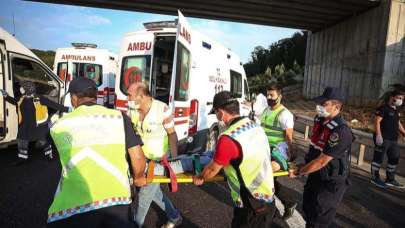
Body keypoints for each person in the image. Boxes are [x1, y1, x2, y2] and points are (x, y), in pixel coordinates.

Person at [46, 77, 147, 228]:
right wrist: (139, 177)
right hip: (116, 200)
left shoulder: (59, 125)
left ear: (74, 98)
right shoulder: (118, 118)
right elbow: (137, 156)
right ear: (96, 96)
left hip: (72, 207)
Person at [193, 91, 276, 228]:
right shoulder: (254, 126)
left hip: (250, 204)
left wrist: (201, 176)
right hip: (267, 198)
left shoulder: (228, 138)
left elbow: (213, 169)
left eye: (216, 113)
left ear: (221, 112)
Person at [290, 87, 353, 228]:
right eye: (319, 103)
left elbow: (322, 160)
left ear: (337, 106)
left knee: (319, 218)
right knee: (308, 208)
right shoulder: (319, 119)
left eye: (324, 104)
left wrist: (299, 172)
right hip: (315, 175)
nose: (318, 107)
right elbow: (314, 149)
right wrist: (304, 166)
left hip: (330, 181)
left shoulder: (341, 131)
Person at [127, 82, 182, 228]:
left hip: (158, 160)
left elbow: (172, 134)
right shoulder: (132, 109)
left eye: (130, 95)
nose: (127, 98)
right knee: (154, 193)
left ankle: (136, 224)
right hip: (140, 159)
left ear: (141, 96)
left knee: (144, 196)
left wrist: (174, 160)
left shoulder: (162, 109)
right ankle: (175, 216)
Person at [0, 81, 69, 164]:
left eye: (23, 87)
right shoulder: (21, 99)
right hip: (24, 124)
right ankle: (22, 158)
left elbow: (55, 105)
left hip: (38, 125)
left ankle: (49, 155)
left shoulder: (40, 99)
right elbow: (14, 101)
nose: (20, 89)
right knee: (21, 140)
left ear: (27, 89)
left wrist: (69, 109)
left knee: (43, 141)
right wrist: (6, 96)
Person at [260, 83, 297, 220]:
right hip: (264, 150)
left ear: (279, 96)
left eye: (272, 95)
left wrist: (290, 160)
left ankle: (271, 211)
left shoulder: (285, 114)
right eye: (267, 94)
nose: (269, 97)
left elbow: (289, 138)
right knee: (267, 180)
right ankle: (287, 203)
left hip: (278, 152)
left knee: (265, 177)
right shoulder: (265, 110)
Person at [371, 90, 405, 188]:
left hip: (393, 140)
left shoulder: (396, 111)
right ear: (392, 97)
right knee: (378, 158)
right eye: (399, 98)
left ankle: (390, 179)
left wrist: (404, 133)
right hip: (383, 138)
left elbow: (398, 124)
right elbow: (377, 121)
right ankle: (375, 177)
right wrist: (378, 135)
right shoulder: (383, 108)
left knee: (394, 158)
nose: (400, 100)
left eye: (402, 99)